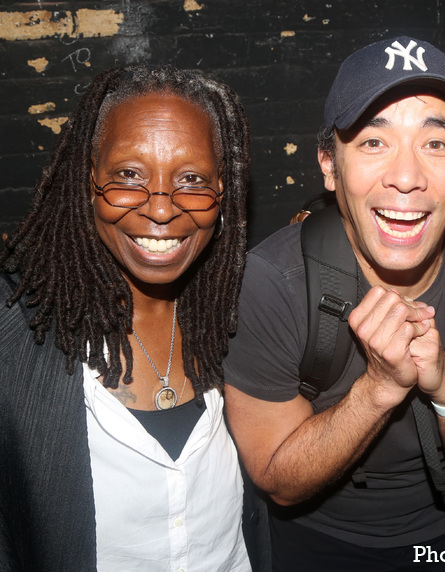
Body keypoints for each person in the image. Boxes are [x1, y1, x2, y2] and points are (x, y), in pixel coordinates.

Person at [224, 37, 445, 571]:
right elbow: (278, 480)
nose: (405, 177)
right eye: (374, 142)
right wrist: (377, 389)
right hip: (317, 544)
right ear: (329, 165)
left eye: (436, 145)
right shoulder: (270, 283)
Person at [0, 65, 252, 571]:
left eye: (192, 179)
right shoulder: (16, 337)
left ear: (222, 191)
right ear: (87, 179)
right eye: (129, 176)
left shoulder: (238, 315)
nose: (161, 209)